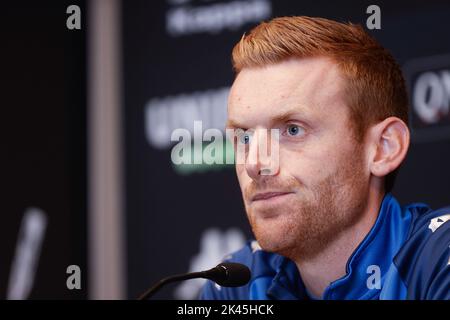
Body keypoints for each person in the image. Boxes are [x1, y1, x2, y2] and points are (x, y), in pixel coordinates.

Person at [199, 16, 450, 300]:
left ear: (383, 148)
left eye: (293, 130)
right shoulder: (237, 285)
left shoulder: (437, 263)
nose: (255, 164)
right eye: (244, 137)